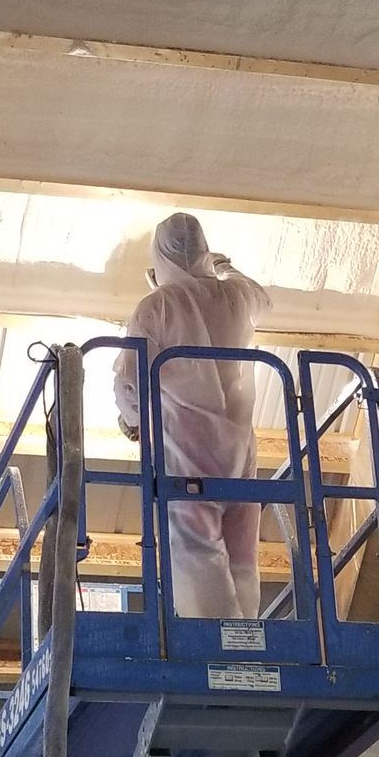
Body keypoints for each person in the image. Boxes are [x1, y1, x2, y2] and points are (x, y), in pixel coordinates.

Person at [113, 213, 271, 621]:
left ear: (158, 259)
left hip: (188, 447)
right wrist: (222, 266)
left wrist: (132, 421)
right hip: (239, 450)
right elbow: (261, 297)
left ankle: (214, 640)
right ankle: (248, 634)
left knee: (196, 547)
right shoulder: (237, 296)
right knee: (241, 547)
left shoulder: (157, 305)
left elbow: (129, 379)